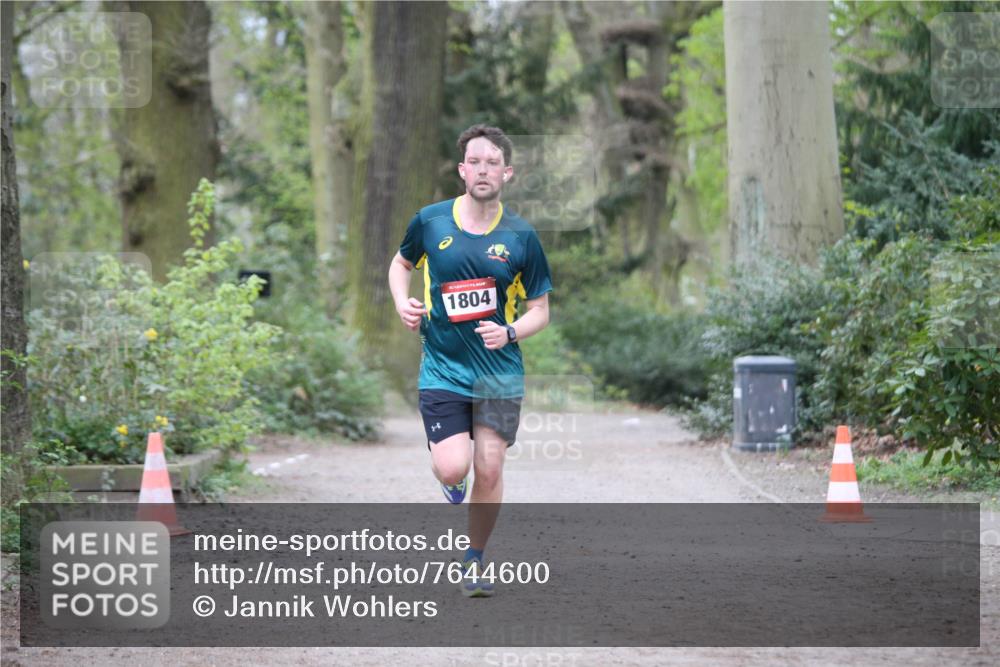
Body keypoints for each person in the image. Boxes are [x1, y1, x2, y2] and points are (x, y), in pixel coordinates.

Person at [387, 124, 552, 597]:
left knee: (492, 466)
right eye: (475, 162)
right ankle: (450, 480)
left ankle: (473, 562)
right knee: (454, 467)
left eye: (492, 163)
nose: (484, 170)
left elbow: (540, 310)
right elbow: (401, 265)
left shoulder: (522, 236)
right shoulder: (431, 221)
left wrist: (510, 331)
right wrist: (403, 303)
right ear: (462, 171)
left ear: (508, 172)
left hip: (500, 372)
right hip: (442, 366)